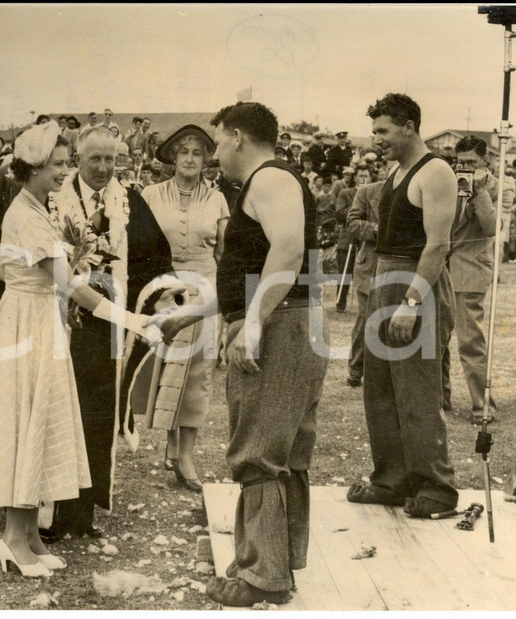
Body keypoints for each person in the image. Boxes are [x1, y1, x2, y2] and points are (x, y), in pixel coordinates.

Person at [0, 122, 159, 577]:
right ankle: (13, 540)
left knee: (42, 420)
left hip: (39, 322)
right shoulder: (27, 214)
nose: (64, 171)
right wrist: (131, 319)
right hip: (25, 326)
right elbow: (71, 285)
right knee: (24, 422)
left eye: (65, 162)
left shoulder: (40, 205)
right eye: (57, 164)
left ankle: (30, 537)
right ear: (31, 167)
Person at [205, 102, 327, 606]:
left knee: (258, 450)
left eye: (216, 142)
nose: (215, 153)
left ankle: (261, 576)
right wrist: (194, 315)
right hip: (292, 320)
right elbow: (256, 269)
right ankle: (276, 562)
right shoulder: (273, 181)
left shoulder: (270, 180)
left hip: (281, 326)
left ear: (236, 137)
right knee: (284, 449)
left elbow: (287, 252)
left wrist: (251, 324)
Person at [45, 125, 176, 540]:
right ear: (78, 159)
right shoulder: (53, 200)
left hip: (109, 330)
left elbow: (155, 257)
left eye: (110, 159)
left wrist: (162, 299)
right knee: (60, 413)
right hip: (60, 326)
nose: (103, 168)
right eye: (94, 159)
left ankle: (83, 514)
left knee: (97, 415)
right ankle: (51, 513)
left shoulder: (128, 200)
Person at [346, 93, 458, 518]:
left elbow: (438, 245)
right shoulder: (396, 171)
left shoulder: (437, 172)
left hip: (416, 286)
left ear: (409, 126)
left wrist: (411, 303)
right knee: (380, 390)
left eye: (383, 130)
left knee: (416, 391)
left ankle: (437, 489)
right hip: (384, 281)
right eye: (375, 131)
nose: (377, 139)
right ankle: (392, 481)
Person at [141, 125, 229, 492]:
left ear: (206, 159)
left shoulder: (217, 199)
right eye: (184, 152)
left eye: (197, 153)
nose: (190, 159)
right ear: (172, 158)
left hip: (205, 291)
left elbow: (224, 254)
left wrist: (221, 302)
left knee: (199, 373)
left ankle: (186, 455)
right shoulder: (149, 195)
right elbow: (141, 245)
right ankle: (169, 443)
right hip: (162, 289)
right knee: (162, 368)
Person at [440, 136, 499, 421]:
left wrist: (479, 193)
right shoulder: (449, 184)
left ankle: (483, 405)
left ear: (485, 161)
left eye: (471, 163)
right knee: (436, 338)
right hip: (442, 269)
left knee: (469, 341)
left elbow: (491, 228)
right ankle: (440, 399)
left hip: (471, 270)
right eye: (460, 162)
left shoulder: (500, 187)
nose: (464, 168)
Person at [345, 177, 386, 387]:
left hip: (399, 269)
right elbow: (351, 224)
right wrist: (377, 230)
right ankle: (356, 368)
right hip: (369, 266)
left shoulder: (414, 191)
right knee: (366, 319)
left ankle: (381, 374)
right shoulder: (368, 192)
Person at [334, 164, 372, 313]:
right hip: (348, 237)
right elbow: (339, 214)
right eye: (361, 176)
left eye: (366, 176)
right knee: (345, 270)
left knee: (368, 271)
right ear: (355, 178)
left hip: (367, 238)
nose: (363, 179)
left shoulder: (374, 193)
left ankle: (367, 303)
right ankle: (340, 302)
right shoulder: (345, 193)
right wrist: (358, 206)